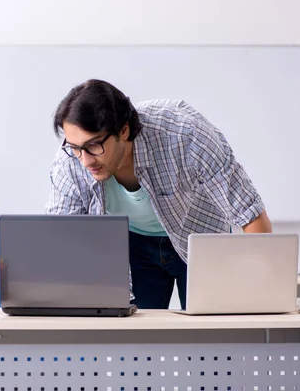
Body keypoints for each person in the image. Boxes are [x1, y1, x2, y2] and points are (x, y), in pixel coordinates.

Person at [44, 79, 272, 310]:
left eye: (94, 146)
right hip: (134, 243)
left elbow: (249, 214)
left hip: (200, 234)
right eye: (74, 147)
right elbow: (62, 238)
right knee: (139, 336)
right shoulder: (69, 161)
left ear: (123, 131)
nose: (85, 160)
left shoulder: (185, 134)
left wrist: (257, 294)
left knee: (213, 328)